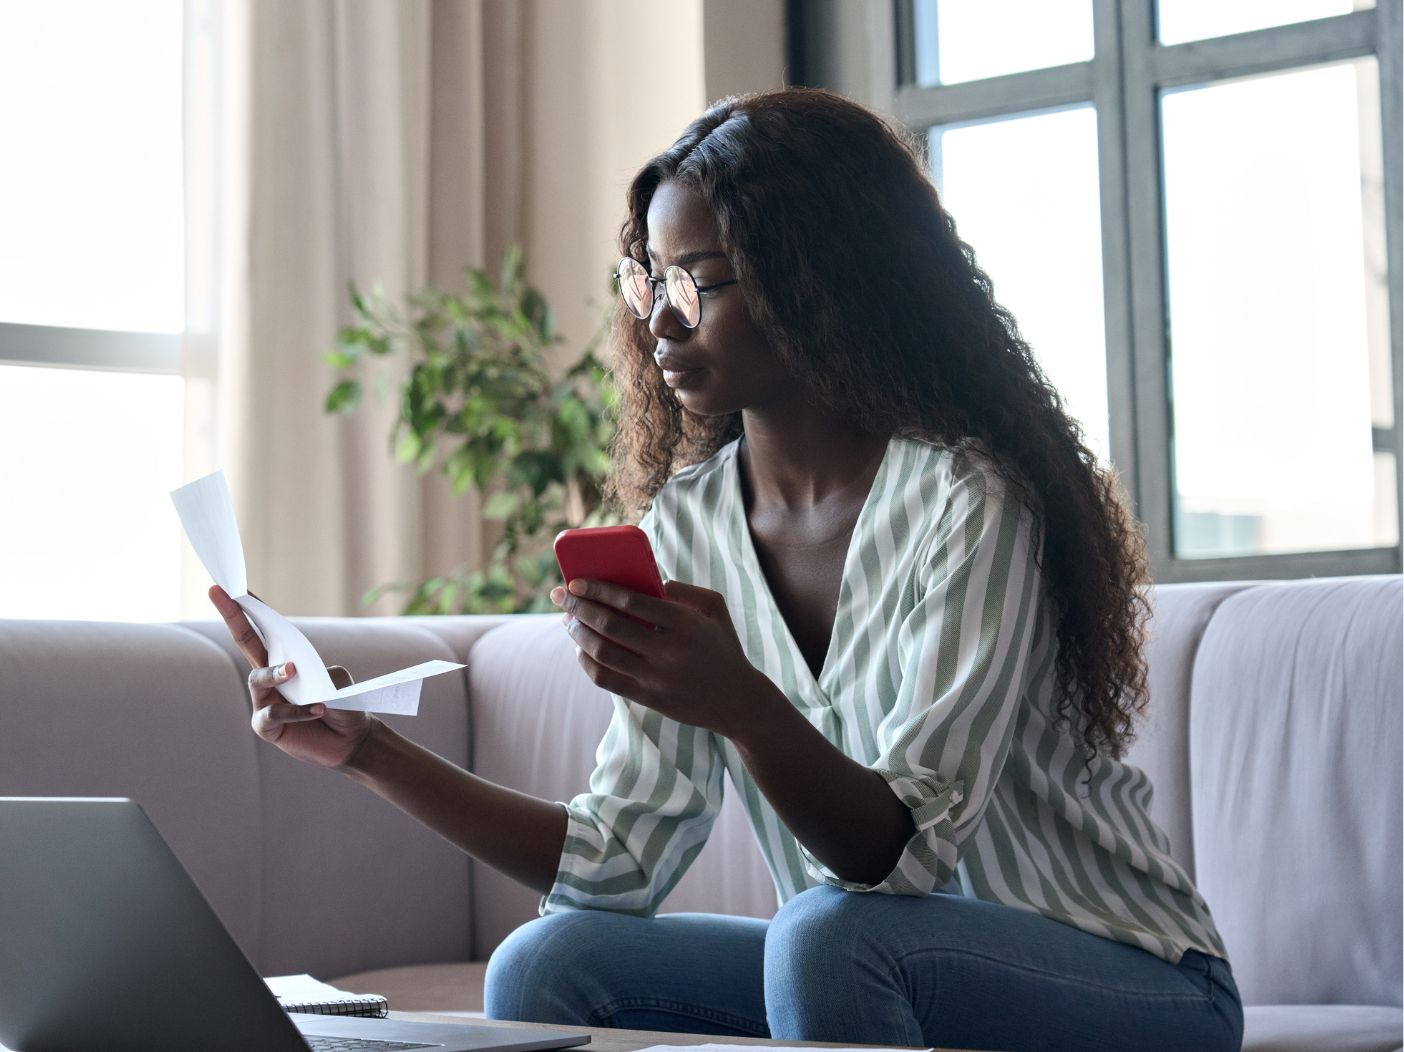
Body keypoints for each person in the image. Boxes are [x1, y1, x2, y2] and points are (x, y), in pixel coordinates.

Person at [211, 88, 1243, 1052]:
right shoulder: (693, 523)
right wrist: (371, 752)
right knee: (550, 959)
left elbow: (904, 855)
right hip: (870, 951)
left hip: (1133, 978)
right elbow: (616, 860)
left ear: (819, 280)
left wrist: (741, 703)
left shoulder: (969, 499)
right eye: (650, 278)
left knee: (829, 933)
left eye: (698, 282)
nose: (659, 318)